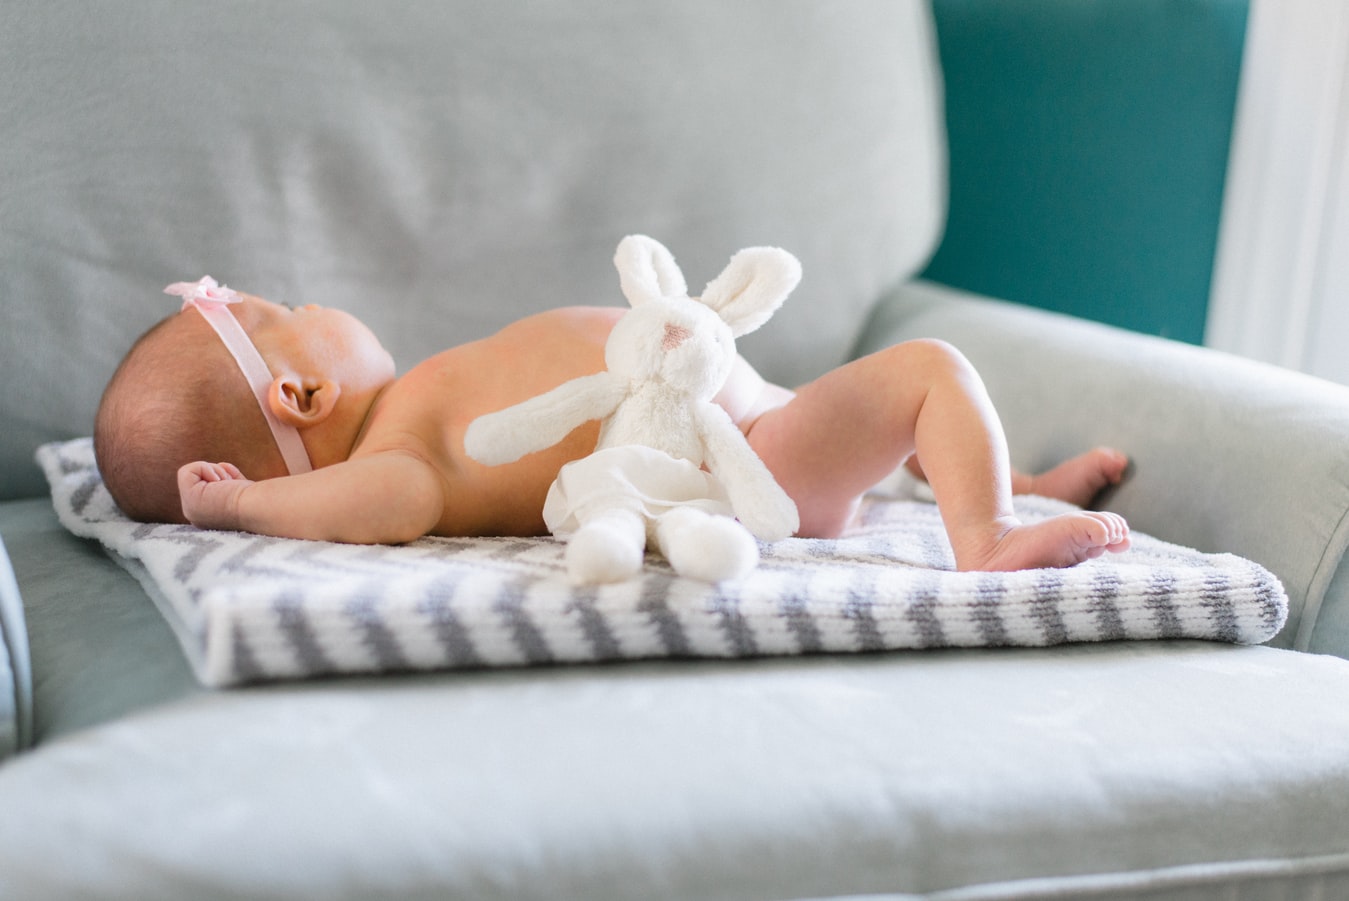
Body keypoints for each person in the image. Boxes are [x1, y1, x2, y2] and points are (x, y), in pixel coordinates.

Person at [94, 277, 1130, 572]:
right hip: (750, 467)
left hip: (757, 423)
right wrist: (244, 505)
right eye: (292, 314)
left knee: (900, 409)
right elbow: (392, 506)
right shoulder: (396, 452)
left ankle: (1009, 484)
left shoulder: (410, 410)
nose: (314, 303)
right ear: (302, 396)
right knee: (927, 371)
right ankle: (985, 536)